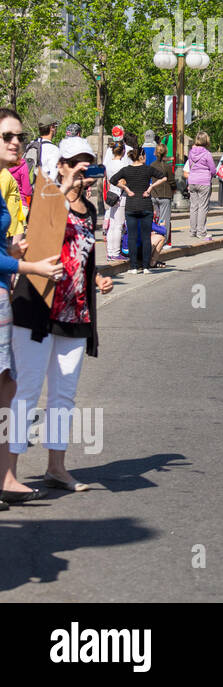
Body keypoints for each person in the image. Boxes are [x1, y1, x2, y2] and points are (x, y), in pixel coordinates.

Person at [4, 136, 113, 502]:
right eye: (76, 161)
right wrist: (61, 189)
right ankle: (10, 474)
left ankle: (56, 466)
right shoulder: (46, 199)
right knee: (26, 393)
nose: (83, 167)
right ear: (62, 165)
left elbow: (81, 254)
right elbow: (36, 232)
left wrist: (97, 277)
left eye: (88, 161)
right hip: (37, 309)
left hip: (75, 312)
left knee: (63, 396)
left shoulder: (91, 210)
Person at [112, 144, 167, 275]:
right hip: (145, 205)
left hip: (131, 205)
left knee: (132, 236)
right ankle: (146, 266)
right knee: (145, 237)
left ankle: (134, 266)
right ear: (142, 156)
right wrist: (150, 188)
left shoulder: (126, 170)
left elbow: (113, 179)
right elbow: (163, 178)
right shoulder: (148, 169)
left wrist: (126, 189)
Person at [186, 131, 217, 241]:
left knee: (194, 206)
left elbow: (190, 166)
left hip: (192, 180)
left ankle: (193, 230)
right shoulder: (207, 154)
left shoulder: (191, 152)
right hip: (203, 181)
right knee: (203, 207)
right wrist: (211, 175)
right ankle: (201, 232)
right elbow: (213, 169)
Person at [103, 139, 129, 264]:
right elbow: (123, 182)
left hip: (111, 194)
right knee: (118, 225)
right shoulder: (122, 166)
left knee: (112, 225)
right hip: (121, 195)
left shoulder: (109, 164)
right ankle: (115, 252)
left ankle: (110, 251)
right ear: (123, 151)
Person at [148, 140, 176, 245]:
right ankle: (162, 241)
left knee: (155, 219)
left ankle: (154, 239)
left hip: (154, 194)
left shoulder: (152, 165)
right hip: (165, 194)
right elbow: (172, 181)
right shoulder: (167, 166)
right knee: (164, 219)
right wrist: (174, 189)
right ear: (165, 153)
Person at [25, 115, 60, 183]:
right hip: (42, 189)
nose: (56, 128)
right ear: (51, 128)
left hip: (28, 188)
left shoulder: (30, 145)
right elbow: (54, 176)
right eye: (55, 126)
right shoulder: (54, 149)